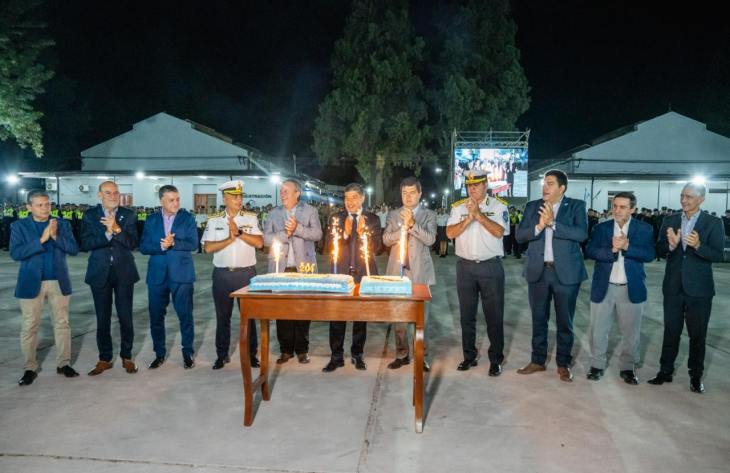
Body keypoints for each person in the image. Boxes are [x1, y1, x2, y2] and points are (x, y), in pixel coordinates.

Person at [648, 183, 725, 393]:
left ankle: (696, 376)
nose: (683, 200)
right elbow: (659, 249)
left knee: (697, 334)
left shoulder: (713, 222)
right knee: (671, 331)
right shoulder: (670, 220)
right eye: (682, 195)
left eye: (689, 196)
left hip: (699, 289)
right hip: (673, 286)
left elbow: (718, 255)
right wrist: (671, 246)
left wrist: (698, 246)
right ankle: (665, 371)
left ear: (701, 199)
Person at [515, 169, 588, 382]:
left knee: (565, 321)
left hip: (566, 273)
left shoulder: (575, 206)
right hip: (538, 272)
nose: (544, 187)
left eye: (550, 183)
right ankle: (537, 360)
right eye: (544, 183)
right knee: (539, 319)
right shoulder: (532, 206)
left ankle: (563, 363)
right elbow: (520, 235)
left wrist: (553, 223)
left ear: (562, 188)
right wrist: (539, 225)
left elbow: (581, 234)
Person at [10, 190, 80, 386]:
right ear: (29, 207)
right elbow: (16, 253)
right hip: (31, 281)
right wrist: (41, 240)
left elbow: (74, 249)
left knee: (62, 323)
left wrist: (55, 236)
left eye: (47, 204)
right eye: (39, 205)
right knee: (30, 325)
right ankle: (29, 368)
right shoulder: (19, 226)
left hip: (58, 280)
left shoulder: (62, 224)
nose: (45, 208)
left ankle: (64, 364)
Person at [585, 192, 655, 384]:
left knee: (631, 333)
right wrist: (612, 250)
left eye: (622, 207)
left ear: (632, 209)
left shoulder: (644, 229)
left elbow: (650, 254)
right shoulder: (602, 228)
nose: (617, 210)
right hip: (604, 286)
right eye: (614, 206)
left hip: (631, 288)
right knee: (598, 330)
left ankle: (628, 367)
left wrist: (627, 246)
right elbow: (590, 250)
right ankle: (597, 365)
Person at [446, 170, 508, 376]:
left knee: (494, 316)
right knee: (467, 316)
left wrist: (479, 215)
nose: (471, 188)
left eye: (476, 184)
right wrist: (468, 219)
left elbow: (500, 232)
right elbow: (449, 232)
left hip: (491, 267)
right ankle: (468, 356)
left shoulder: (498, 206)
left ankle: (496, 359)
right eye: (469, 185)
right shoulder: (458, 207)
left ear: (486, 185)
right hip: (465, 268)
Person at [202, 180, 264, 370]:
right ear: (224, 199)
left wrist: (239, 234)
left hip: (246, 274)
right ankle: (221, 355)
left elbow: (259, 243)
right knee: (223, 318)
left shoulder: (250, 218)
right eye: (234, 197)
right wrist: (229, 239)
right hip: (222, 275)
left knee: (249, 318)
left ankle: (251, 355)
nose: (239, 200)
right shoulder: (214, 220)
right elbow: (207, 248)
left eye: (240, 196)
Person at [81, 181, 140, 376]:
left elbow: (132, 243)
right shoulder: (90, 215)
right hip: (100, 272)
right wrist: (107, 234)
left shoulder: (128, 215)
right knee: (102, 318)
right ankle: (104, 358)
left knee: (125, 317)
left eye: (116, 192)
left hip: (124, 272)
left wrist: (117, 229)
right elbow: (86, 243)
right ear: (100, 195)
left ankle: (127, 356)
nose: (113, 196)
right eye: (108, 193)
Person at [322, 183, 382, 372]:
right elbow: (326, 246)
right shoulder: (336, 218)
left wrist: (365, 233)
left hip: (363, 274)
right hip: (339, 273)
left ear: (362, 198)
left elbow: (379, 248)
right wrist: (345, 234)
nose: (350, 202)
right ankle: (336, 356)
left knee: (360, 317)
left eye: (354, 197)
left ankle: (357, 354)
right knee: (336, 316)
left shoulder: (372, 219)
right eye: (347, 198)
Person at [263, 179, 322, 364]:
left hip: (303, 269)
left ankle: (302, 350)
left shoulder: (310, 211)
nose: (282, 194)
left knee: (303, 309)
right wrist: (284, 234)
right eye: (281, 191)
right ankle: (286, 350)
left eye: (286, 191)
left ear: (297, 193)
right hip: (280, 269)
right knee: (282, 311)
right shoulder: (274, 213)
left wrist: (297, 229)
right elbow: (266, 239)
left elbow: (318, 234)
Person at [140, 185, 198, 370]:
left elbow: (193, 244)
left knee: (185, 316)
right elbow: (144, 247)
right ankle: (159, 354)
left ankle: (187, 353)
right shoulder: (151, 220)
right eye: (171, 200)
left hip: (182, 274)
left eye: (177, 199)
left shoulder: (187, 218)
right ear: (161, 201)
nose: (176, 203)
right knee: (156, 316)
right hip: (157, 275)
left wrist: (174, 243)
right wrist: (162, 247)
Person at [383, 177, 436, 372]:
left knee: (422, 319)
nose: (408, 196)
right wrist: (402, 229)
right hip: (398, 272)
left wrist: (413, 224)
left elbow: (430, 240)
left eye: (412, 192)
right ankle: (401, 354)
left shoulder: (429, 215)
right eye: (404, 193)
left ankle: (422, 356)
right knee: (399, 318)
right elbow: (386, 239)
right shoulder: (393, 214)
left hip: (420, 273)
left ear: (420, 194)